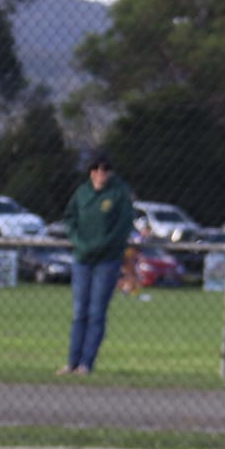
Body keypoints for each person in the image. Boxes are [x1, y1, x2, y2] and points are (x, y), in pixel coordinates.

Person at [59, 150, 134, 374]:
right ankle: (72, 362)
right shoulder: (82, 193)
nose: (101, 173)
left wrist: (103, 244)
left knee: (96, 312)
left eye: (105, 169)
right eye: (97, 169)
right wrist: (78, 241)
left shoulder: (119, 193)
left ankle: (86, 363)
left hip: (107, 260)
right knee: (79, 311)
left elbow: (123, 226)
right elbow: (70, 218)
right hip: (83, 258)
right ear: (91, 172)